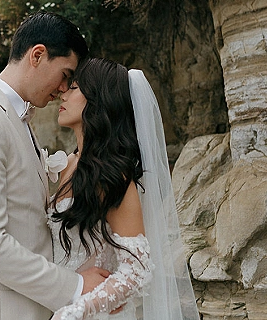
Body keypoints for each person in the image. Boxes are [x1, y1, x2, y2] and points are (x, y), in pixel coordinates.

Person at [0, 12, 110, 320]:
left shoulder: (14, 117)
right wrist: (73, 286)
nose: (64, 88)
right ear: (37, 55)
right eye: (65, 74)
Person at [49, 58, 200, 319]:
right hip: (56, 299)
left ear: (97, 101)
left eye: (74, 88)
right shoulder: (66, 163)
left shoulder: (110, 176)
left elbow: (136, 268)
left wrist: (77, 311)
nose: (63, 91)